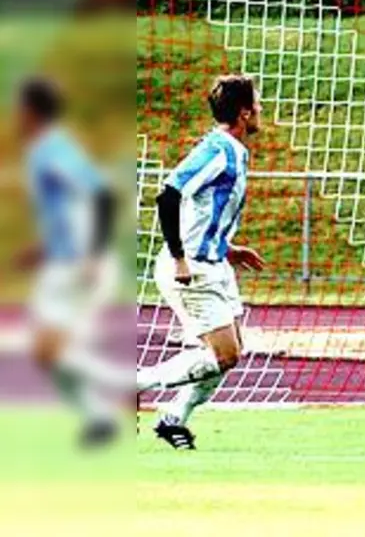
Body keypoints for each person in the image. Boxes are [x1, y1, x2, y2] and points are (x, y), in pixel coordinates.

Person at [135, 75, 267, 450]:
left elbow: (205, 213)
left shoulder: (236, 151)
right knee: (225, 354)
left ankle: (174, 419)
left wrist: (230, 248)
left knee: (230, 352)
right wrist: (179, 258)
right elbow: (168, 196)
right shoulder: (217, 151)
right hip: (191, 269)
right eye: (256, 105)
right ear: (244, 113)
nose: (260, 111)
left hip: (215, 262)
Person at [15, 75, 124, 447]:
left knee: (50, 349)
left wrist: (93, 253)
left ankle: (126, 389)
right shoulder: (48, 149)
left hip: (76, 266)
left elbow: (102, 196)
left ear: (29, 111)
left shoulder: (51, 149)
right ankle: (99, 417)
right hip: (63, 260)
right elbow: (66, 208)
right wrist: (41, 249)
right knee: (48, 352)